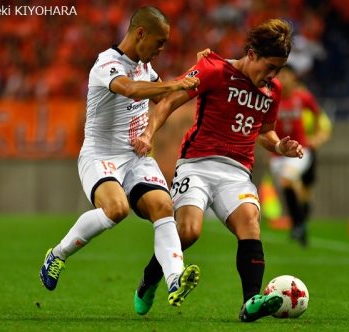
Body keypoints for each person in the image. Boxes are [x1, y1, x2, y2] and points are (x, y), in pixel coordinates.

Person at [132, 18, 303, 322]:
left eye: (278, 70)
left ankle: (251, 301)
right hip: (195, 165)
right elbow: (170, 100)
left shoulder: (272, 90)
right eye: (269, 67)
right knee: (188, 232)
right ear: (251, 54)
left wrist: (279, 147)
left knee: (250, 222)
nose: (272, 76)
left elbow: (265, 132)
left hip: (236, 172)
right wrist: (148, 134)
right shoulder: (213, 70)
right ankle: (150, 279)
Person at [39, 6, 201, 308]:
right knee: (116, 209)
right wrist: (177, 82)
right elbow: (130, 90)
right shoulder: (107, 64)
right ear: (140, 33)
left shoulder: (145, 67)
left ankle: (175, 280)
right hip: (100, 156)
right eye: (159, 41)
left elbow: (162, 97)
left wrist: (197, 74)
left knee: (164, 207)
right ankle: (57, 255)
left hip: (136, 157)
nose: (162, 49)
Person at [268, 64, 331, 246]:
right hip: (278, 153)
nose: (284, 79)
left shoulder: (302, 97)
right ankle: (300, 224)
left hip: (299, 151)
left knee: (290, 181)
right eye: (281, 76)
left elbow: (318, 114)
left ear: (294, 78)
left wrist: (316, 136)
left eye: (287, 76)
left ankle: (298, 224)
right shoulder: (272, 98)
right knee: (290, 187)